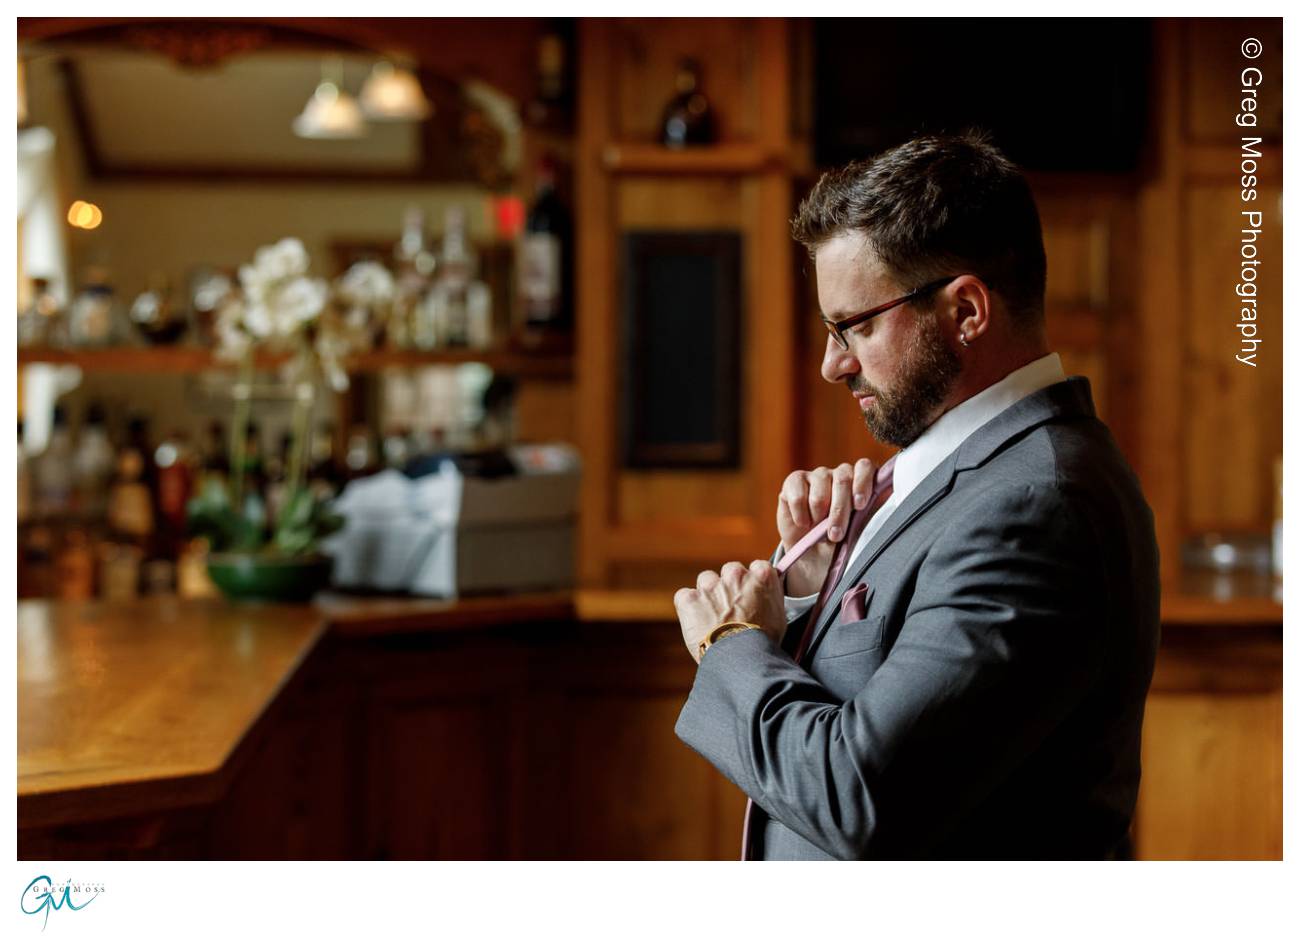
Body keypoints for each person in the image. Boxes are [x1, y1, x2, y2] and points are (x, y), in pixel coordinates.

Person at [672, 132, 1160, 860]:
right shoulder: (955, 475)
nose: (832, 364)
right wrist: (811, 591)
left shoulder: (1036, 505)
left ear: (967, 311)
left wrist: (729, 645)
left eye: (855, 327)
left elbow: (859, 794)